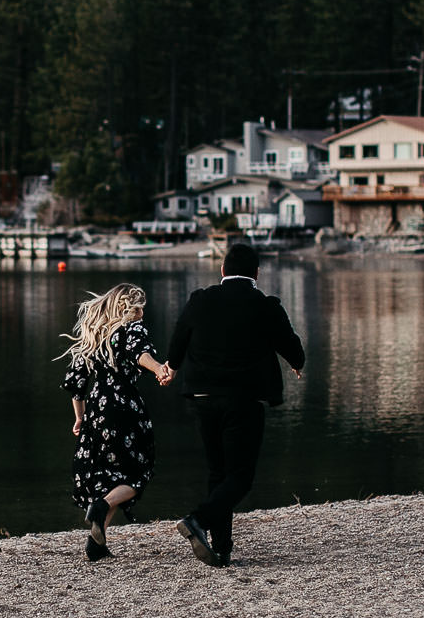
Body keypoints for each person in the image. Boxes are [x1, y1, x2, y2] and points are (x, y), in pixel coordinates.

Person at [164, 242, 305, 567]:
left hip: (202, 398)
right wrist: (293, 361)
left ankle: (222, 547)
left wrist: (170, 365)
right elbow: (295, 352)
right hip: (243, 400)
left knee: (218, 472)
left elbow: (177, 344)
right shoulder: (265, 305)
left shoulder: (200, 300)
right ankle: (198, 520)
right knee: (240, 476)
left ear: (223, 270)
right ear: (257, 273)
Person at [60, 283, 175, 562]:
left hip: (96, 411)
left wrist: (79, 417)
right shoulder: (131, 330)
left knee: (109, 476)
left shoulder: (94, 336)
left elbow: (77, 385)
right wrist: (159, 368)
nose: (142, 313)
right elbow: (140, 354)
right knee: (137, 473)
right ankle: (101, 507)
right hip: (124, 408)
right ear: (129, 309)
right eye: (139, 308)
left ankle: (96, 543)